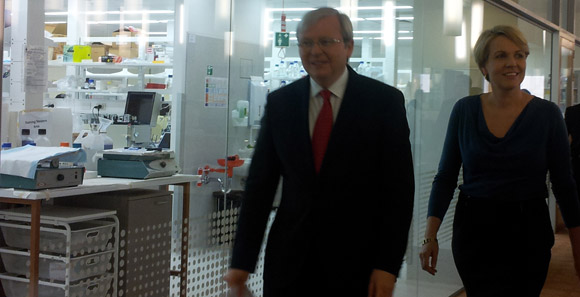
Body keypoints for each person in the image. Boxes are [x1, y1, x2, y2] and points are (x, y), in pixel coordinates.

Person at [224, 7, 414, 297]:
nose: (315, 51)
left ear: (348, 46)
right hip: (289, 264)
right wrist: (241, 262)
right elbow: (260, 187)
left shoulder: (383, 103)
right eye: (306, 42)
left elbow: (398, 191)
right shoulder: (281, 104)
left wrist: (388, 265)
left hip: (357, 264)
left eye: (326, 41)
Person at [419, 25, 580, 296]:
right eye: (501, 56)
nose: (512, 63)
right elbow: (446, 176)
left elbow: (564, 184)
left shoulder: (547, 114)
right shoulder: (465, 111)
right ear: (484, 66)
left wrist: (577, 245)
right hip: (474, 232)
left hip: (528, 232)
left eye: (519, 55)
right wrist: (429, 236)